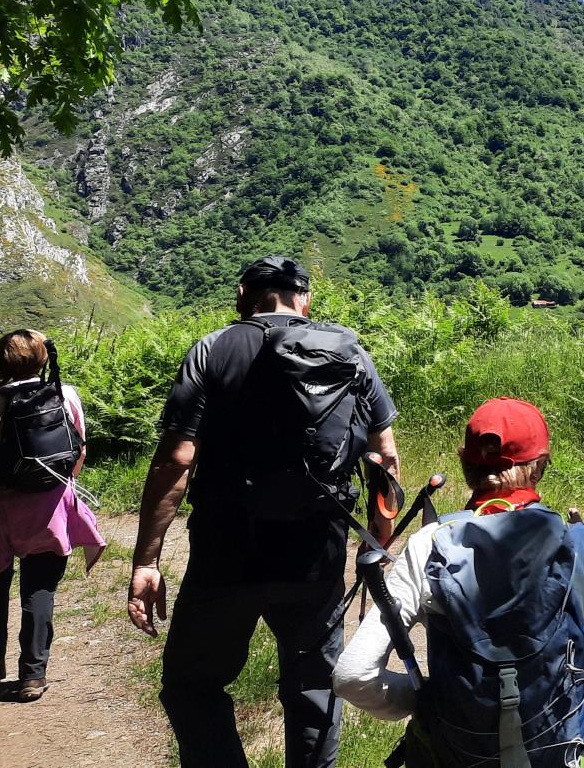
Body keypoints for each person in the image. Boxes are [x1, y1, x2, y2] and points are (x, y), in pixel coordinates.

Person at [127, 256, 400, 768]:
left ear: (241, 296)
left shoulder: (212, 349)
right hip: (316, 551)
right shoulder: (347, 351)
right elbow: (383, 454)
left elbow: (175, 460)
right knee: (314, 689)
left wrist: (147, 561)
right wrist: (377, 535)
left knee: (192, 683)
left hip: (225, 551)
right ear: (305, 299)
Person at [334, 398, 584, 763]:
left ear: (466, 467)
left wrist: (427, 696)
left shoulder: (429, 545)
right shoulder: (582, 548)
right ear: (540, 467)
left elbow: (352, 676)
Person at [0, 328, 106, 701]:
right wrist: (60, 487)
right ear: (43, 358)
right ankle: (32, 676)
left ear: (1, 361)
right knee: (40, 588)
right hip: (50, 507)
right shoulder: (65, 393)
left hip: (0, 510)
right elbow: (79, 447)